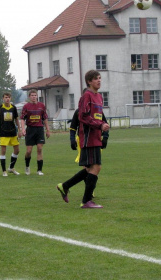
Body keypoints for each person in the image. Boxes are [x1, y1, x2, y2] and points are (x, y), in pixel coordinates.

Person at [57, 70, 109, 208]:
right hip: (88, 138)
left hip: (96, 136)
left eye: (100, 78)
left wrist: (103, 129)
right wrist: (100, 125)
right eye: (96, 79)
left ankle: (65, 186)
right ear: (89, 81)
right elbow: (83, 117)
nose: (99, 80)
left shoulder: (99, 97)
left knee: (90, 168)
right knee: (95, 167)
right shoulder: (86, 96)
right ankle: (86, 201)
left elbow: (99, 116)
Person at [20, 89, 50, 175]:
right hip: (30, 130)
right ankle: (27, 167)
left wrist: (48, 130)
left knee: (39, 149)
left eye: (35, 95)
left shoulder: (41, 106)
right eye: (32, 95)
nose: (34, 97)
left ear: (37, 96)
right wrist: (23, 129)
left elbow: (45, 118)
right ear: (29, 97)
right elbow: (22, 118)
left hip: (39, 129)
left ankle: (39, 170)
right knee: (29, 151)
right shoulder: (26, 106)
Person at [0, 92, 22, 176]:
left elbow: (16, 119)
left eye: (9, 97)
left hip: (13, 132)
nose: (7, 99)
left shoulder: (13, 108)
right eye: (6, 97)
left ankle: (11, 168)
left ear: (11, 98)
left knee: (17, 150)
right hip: (3, 132)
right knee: (3, 150)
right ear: (3, 98)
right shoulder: (0, 108)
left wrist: (20, 130)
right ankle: (4, 171)